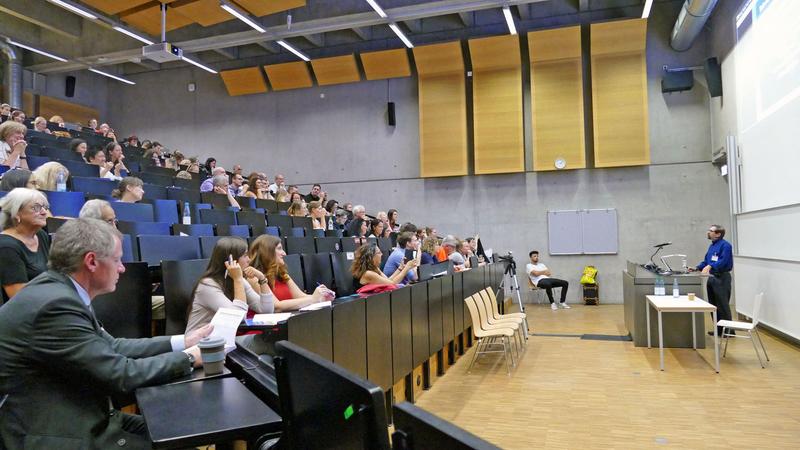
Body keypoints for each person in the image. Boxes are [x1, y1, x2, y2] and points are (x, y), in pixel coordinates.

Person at [0, 218, 212, 449]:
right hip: (52, 433)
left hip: (78, 414)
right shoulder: (55, 305)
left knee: (185, 431)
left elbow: (115, 346)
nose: (122, 268)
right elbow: (119, 375)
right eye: (117, 259)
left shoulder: (59, 290)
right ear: (91, 261)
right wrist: (190, 357)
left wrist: (185, 341)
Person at [185, 237, 275, 334]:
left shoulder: (237, 280)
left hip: (222, 340)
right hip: (201, 343)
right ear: (231, 260)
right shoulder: (207, 285)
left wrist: (262, 279)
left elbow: (266, 310)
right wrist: (238, 279)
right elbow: (237, 318)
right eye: (245, 255)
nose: (249, 260)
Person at [249, 235, 331, 311]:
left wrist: (322, 296)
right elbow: (276, 306)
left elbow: (301, 297)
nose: (284, 253)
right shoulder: (254, 277)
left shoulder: (282, 273)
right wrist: (313, 299)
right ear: (267, 252)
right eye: (279, 248)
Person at [0, 188, 51, 304]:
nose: (44, 212)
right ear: (17, 213)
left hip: (47, 300)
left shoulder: (40, 235)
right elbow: (20, 298)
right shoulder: (6, 247)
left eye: (45, 207)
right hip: (27, 312)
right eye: (36, 207)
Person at [689, 224, 733, 336]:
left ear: (718, 234)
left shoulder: (726, 246)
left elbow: (723, 261)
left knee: (722, 305)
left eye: (711, 231)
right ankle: (718, 329)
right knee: (713, 305)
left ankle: (728, 331)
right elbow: (707, 261)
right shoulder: (712, 246)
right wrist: (697, 267)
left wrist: (711, 266)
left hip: (721, 278)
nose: (708, 232)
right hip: (712, 278)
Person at [351, 243, 418, 290]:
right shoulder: (368, 274)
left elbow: (388, 280)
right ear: (371, 257)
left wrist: (400, 268)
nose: (382, 254)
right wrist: (406, 269)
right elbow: (392, 284)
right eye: (379, 253)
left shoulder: (375, 268)